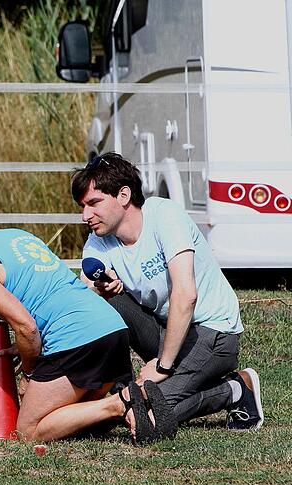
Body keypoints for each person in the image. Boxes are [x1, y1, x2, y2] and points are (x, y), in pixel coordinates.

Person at [0, 187, 175, 444]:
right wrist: (30, 346)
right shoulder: (17, 236)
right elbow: (46, 295)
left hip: (78, 340)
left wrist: (29, 373)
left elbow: (26, 327)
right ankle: (135, 409)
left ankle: (121, 402)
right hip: (112, 330)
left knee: (29, 430)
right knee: (72, 424)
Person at [71, 152, 263, 430]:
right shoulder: (98, 242)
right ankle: (121, 383)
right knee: (107, 301)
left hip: (212, 331)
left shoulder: (164, 215)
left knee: (149, 416)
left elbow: (186, 294)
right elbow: (84, 297)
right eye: (82, 206)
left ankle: (236, 389)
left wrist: (162, 366)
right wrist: (100, 287)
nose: (85, 215)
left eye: (93, 203)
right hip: (167, 332)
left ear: (123, 196)